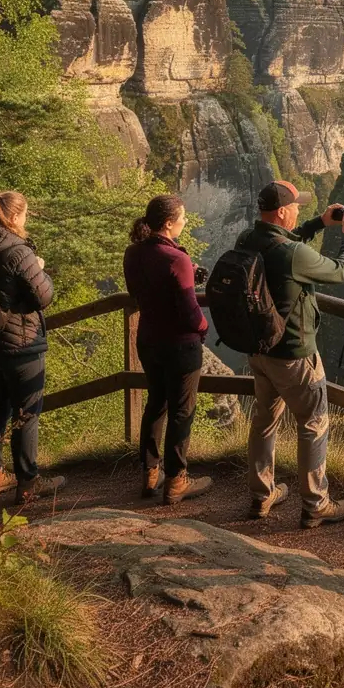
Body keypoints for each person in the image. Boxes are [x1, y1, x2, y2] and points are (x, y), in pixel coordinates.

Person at [239, 180, 344, 527]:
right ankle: (315, 503)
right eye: (296, 208)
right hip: (294, 353)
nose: (299, 211)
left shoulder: (247, 239)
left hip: (258, 350)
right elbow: (340, 272)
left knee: (264, 422)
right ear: (281, 212)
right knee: (313, 423)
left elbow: (286, 244)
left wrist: (319, 223)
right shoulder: (292, 255)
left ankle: (262, 497)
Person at [0, 191, 64, 504]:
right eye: (25, 215)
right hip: (20, 344)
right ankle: (28, 483)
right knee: (27, 413)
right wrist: (40, 266)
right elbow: (43, 296)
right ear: (13, 218)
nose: (26, 219)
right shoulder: (16, 250)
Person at [123, 194, 212, 506]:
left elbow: (138, 291)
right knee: (182, 411)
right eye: (183, 218)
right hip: (180, 345)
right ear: (169, 223)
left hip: (148, 339)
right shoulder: (177, 259)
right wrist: (203, 327)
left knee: (156, 404)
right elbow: (189, 311)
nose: (185, 222)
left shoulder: (133, 253)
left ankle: (150, 473)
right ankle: (176, 481)